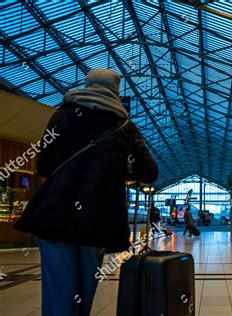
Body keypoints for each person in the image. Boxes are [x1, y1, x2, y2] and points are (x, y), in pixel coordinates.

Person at [14, 69, 158, 315]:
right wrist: (118, 170)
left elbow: (44, 165)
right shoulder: (123, 125)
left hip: (54, 216)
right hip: (96, 222)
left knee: (59, 295)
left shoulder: (62, 116)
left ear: (87, 84)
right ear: (116, 90)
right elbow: (149, 173)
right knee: (82, 297)